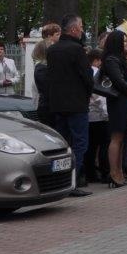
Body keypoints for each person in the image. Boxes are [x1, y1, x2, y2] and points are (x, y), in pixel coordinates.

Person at [47, 14, 93, 196]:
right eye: (81, 26)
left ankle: (59, 180)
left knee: (63, 143)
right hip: (76, 103)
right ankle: (72, 180)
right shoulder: (77, 50)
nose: (82, 30)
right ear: (74, 29)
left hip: (58, 103)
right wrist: (87, 94)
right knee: (80, 143)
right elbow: (87, 76)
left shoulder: (52, 50)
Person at [100, 30, 127, 187]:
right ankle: (113, 173)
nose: (126, 43)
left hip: (126, 101)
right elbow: (118, 81)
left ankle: (119, 171)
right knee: (116, 137)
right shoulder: (111, 60)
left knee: (122, 138)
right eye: (124, 41)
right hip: (118, 102)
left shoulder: (121, 58)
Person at [85, 49, 109, 185]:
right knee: (104, 144)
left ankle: (90, 173)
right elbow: (100, 97)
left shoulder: (86, 72)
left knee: (91, 146)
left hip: (89, 114)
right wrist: (106, 114)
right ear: (97, 60)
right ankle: (105, 172)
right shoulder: (97, 74)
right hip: (99, 115)